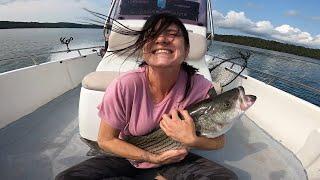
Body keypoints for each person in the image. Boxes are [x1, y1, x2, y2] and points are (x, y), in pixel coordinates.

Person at [56, 13, 237, 180]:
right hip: (128, 156)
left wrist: (193, 140)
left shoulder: (200, 87)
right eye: (152, 35)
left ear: (187, 50)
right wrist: (153, 157)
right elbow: (105, 140)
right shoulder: (125, 85)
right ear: (144, 49)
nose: (161, 39)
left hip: (176, 160)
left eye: (172, 34)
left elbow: (219, 141)